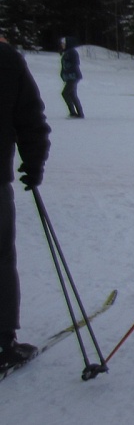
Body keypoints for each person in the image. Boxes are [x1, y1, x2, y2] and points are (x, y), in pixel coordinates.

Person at [0, 39, 51, 372]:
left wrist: (33, 162)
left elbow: (30, 116)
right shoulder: (5, 58)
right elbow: (30, 117)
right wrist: (34, 162)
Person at [60, 37, 84, 119]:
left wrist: (68, 69)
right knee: (72, 94)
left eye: (63, 44)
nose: (62, 45)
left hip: (73, 77)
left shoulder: (72, 52)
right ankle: (78, 113)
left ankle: (74, 113)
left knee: (65, 93)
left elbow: (75, 63)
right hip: (70, 77)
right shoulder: (67, 52)